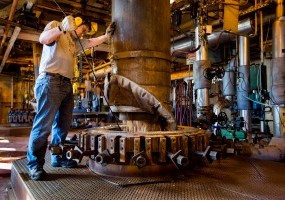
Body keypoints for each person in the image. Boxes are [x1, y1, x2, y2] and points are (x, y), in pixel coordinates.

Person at [26, 15, 116, 181]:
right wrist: (61, 28)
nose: (83, 34)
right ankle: (35, 165)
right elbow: (43, 39)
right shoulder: (57, 26)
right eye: (83, 30)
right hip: (50, 81)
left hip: (66, 83)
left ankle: (57, 157)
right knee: (43, 125)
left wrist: (107, 36)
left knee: (62, 125)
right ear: (77, 22)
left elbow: (91, 42)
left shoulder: (74, 43)